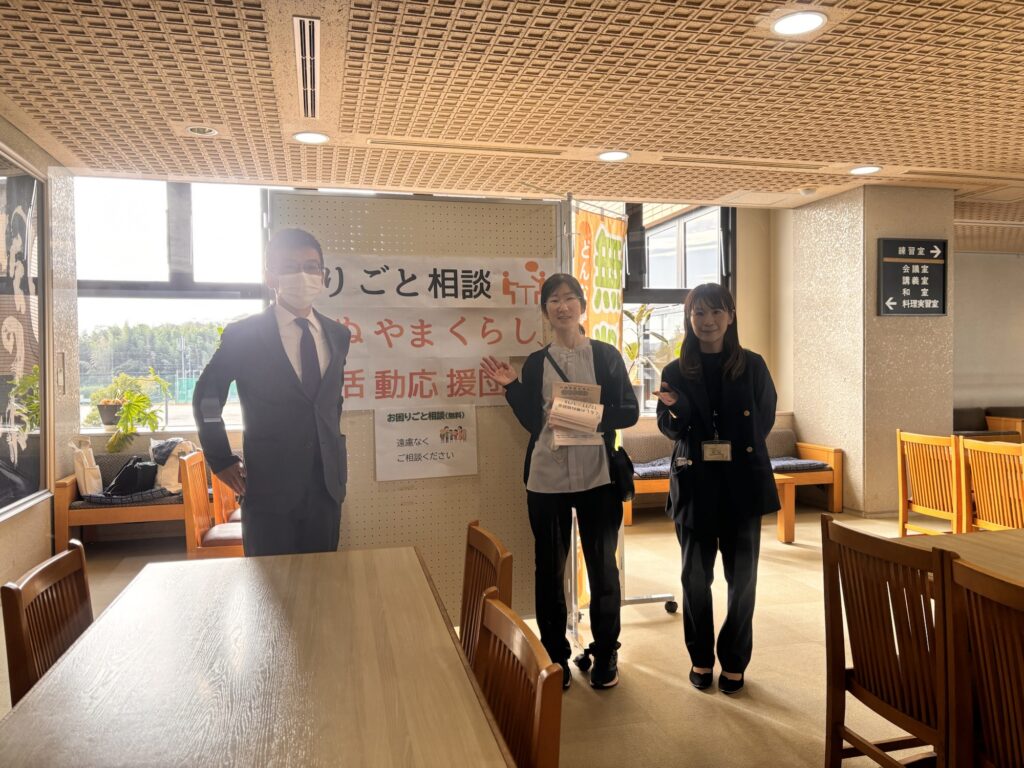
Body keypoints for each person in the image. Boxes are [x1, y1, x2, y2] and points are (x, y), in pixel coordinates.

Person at [480, 273, 638, 690]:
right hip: (546, 478)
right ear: (545, 311)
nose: (562, 306)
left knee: (603, 567)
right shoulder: (536, 362)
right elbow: (534, 423)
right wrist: (512, 388)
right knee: (549, 570)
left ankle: (606, 652)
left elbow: (629, 411)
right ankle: (554, 658)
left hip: (598, 477)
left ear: (582, 306)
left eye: (569, 298)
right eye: (553, 300)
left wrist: (577, 415)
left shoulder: (605, 356)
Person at [193, 228, 351, 557]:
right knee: (270, 582)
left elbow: (329, 402)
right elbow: (207, 398)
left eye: (311, 267)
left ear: (322, 275)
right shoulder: (243, 335)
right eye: (290, 267)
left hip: (326, 487)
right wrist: (220, 458)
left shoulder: (338, 335)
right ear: (270, 277)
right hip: (268, 488)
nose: (302, 275)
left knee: (323, 580)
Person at [656, 282, 778, 695]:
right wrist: (677, 410)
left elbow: (763, 420)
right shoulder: (675, 371)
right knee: (694, 578)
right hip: (695, 484)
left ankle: (735, 659)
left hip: (742, 483)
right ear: (689, 319)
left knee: (742, 580)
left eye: (715, 312)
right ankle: (701, 657)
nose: (707, 321)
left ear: (730, 317)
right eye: (699, 313)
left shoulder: (753, 365)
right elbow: (671, 429)